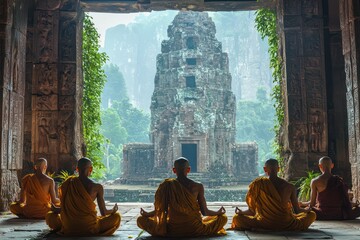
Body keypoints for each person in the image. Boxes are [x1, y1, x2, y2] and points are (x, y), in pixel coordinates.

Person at [137, 157, 227, 237]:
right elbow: (205, 212)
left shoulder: (168, 185)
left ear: (174, 170)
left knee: (140, 220)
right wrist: (218, 212)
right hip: (195, 228)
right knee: (223, 218)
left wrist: (147, 214)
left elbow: (161, 209)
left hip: (173, 229)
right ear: (188, 170)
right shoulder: (198, 186)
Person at [231, 159, 316, 231]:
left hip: (264, 223)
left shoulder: (258, 184)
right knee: (312, 215)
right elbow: (297, 210)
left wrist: (241, 212)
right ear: (278, 169)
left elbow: (252, 211)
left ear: (265, 169)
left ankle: (261, 227)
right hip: (285, 223)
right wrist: (307, 210)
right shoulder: (289, 186)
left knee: (237, 218)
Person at [46, 157, 121, 236]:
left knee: (50, 216)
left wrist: (56, 209)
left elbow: (65, 208)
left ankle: (71, 228)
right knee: (116, 217)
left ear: (77, 169)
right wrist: (113, 210)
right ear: (90, 169)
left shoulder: (68, 183)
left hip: (69, 226)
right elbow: (104, 212)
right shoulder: (97, 187)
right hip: (89, 227)